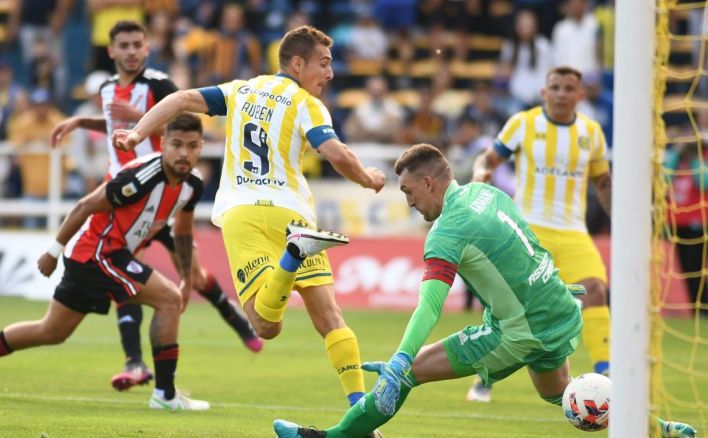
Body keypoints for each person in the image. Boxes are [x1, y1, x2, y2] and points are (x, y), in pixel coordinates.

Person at [272, 143, 696, 438]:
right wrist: (548, 289)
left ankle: (329, 437)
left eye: (408, 192)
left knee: (407, 376)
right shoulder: (487, 194)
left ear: (430, 183)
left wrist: (402, 358)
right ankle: (660, 430)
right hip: (559, 311)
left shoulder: (448, 232)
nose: (409, 203)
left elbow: (429, 306)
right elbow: (529, 247)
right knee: (559, 393)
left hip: (519, 330)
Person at [113, 25, 387, 408]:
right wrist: (368, 177)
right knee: (331, 319)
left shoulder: (240, 90)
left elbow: (179, 99)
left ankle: (292, 257)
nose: (330, 73)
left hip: (243, 215)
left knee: (265, 325)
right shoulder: (306, 103)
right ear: (296, 63)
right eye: (323, 64)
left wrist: (136, 135)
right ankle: (360, 407)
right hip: (292, 215)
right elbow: (336, 153)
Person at [0, 115, 211, 412]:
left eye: (192, 146)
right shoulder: (139, 179)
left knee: (51, 331)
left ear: (200, 147)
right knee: (168, 299)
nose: (184, 153)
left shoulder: (193, 184)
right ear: (163, 144)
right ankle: (165, 394)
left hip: (100, 257)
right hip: (98, 253)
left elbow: (183, 232)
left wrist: (188, 278)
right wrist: (53, 251)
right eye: (176, 145)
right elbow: (85, 205)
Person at [49, 20, 261, 391]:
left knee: (191, 275)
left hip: (166, 192)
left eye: (137, 45)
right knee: (125, 273)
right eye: (124, 45)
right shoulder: (106, 88)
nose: (131, 51)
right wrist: (82, 121)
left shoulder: (160, 86)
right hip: (127, 197)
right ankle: (135, 363)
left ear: (147, 49)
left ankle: (238, 321)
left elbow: (186, 128)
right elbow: (112, 122)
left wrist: (139, 122)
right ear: (111, 51)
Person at [468, 66, 612, 402]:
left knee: (595, 291)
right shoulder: (523, 123)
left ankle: (606, 372)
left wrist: (620, 215)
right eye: (555, 87)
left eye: (569, 88)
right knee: (511, 309)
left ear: (580, 94)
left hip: (574, 232)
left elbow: (602, 182)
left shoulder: (592, 133)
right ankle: (484, 378)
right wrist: (479, 175)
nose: (562, 93)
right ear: (544, 93)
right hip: (528, 230)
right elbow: (488, 159)